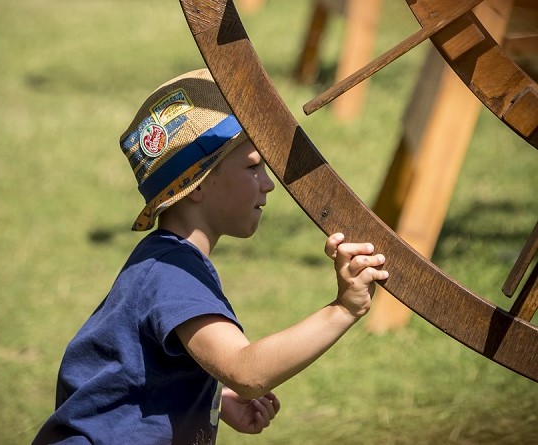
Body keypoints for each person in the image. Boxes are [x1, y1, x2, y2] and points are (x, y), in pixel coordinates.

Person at [33, 68, 389, 445]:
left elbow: (152, 375)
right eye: (253, 166)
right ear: (198, 184)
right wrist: (344, 309)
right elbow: (246, 370)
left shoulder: (168, 261)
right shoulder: (173, 274)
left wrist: (212, 395)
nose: (268, 182)